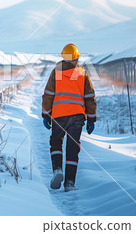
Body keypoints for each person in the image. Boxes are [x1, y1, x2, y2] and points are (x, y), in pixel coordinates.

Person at [41, 43, 97, 191]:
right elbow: (90, 97)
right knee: (73, 148)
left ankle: (57, 170)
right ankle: (70, 183)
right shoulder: (82, 73)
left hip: (59, 115)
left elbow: (48, 95)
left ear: (63, 56)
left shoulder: (56, 72)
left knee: (56, 142)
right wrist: (91, 119)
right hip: (77, 116)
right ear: (77, 57)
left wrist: (46, 115)